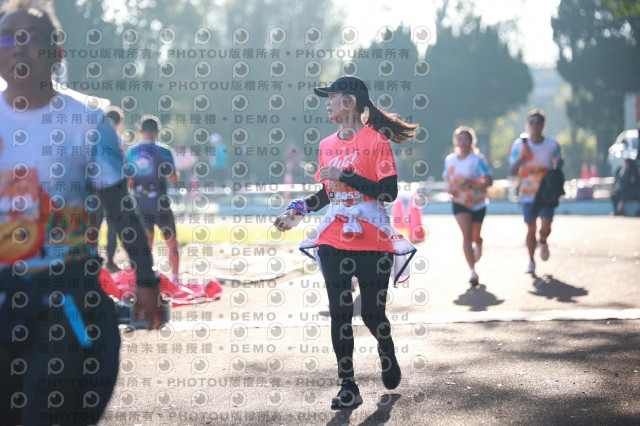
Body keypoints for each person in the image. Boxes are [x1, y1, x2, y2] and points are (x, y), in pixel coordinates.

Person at [0, 1, 163, 424]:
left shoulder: (88, 122)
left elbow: (120, 208)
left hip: (65, 293)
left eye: (29, 38)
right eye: (6, 38)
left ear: (56, 53)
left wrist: (146, 280)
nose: (16, 47)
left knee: (52, 409)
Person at [274, 76, 418, 409]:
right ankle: (348, 385)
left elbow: (388, 192)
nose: (327, 102)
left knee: (371, 314)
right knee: (339, 313)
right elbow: (328, 192)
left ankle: (386, 349)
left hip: (373, 235)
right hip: (334, 235)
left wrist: (345, 176)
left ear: (350, 102)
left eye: (332, 97)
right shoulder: (327, 144)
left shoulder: (377, 141)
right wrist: (298, 209)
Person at [125, 115, 181, 283]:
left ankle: (146, 279)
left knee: (146, 243)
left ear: (140, 130)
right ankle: (175, 279)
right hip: (160, 203)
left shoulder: (132, 152)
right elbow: (173, 178)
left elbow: (129, 181)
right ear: (158, 131)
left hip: (140, 204)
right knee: (171, 242)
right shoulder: (164, 151)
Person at [509, 110, 562, 274]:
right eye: (531, 122)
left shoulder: (553, 145)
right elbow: (512, 171)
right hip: (527, 193)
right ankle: (531, 260)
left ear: (543, 126)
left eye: (538, 122)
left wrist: (557, 165)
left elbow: (559, 166)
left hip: (546, 192)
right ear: (527, 125)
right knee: (530, 228)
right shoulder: (519, 145)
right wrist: (521, 157)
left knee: (546, 226)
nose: (534, 125)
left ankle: (543, 240)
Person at [442, 126, 492, 286]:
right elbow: (446, 178)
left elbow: (489, 181)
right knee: (467, 235)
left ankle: (479, 243)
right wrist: (450, 188)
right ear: (455, 142)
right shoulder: (450, 160)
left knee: (475, 237)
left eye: (466, 139)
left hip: (477, 203)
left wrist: (470, 186)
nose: (463, 143)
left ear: (471, 141)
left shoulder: (477, 159)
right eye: (460, 139)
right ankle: (472, 271)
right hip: (459, 202)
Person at [95, 106, 126, 272]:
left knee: (94, 225)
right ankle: (110, 262)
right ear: (120, 123)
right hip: (114, 188)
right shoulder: (120, 140)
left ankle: (91, 259)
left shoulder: (95, 137)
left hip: (95, 187)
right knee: (112, 226)